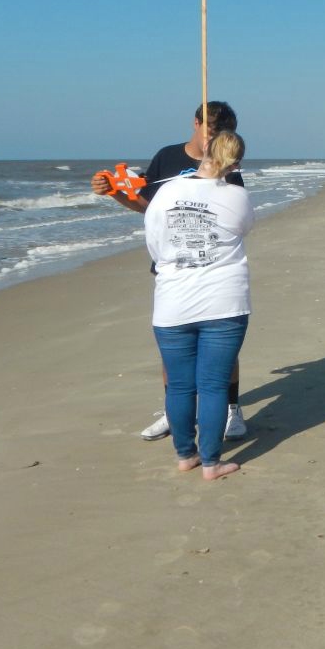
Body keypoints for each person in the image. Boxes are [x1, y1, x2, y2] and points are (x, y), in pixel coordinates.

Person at [90, 101, 248, 442]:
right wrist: (114, 193)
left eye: (221, 133)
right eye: (210, 130)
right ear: (195, 123)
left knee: (223, 350)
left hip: (214, 268)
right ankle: (174, 412)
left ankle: (232, 411)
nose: (214, 138)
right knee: (174, 349)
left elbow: (236, 219)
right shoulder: (167, 157)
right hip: (174, 269)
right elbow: (148, 207)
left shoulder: (229, 168)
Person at [144, 130, 254, 480]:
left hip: (173, 301)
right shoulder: (237, 196)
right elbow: (243, 228)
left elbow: (155, 243)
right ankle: (210, 462)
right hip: (224, 302)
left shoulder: (166, 192)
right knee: (212, 385)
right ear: (235, 163)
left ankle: (185, 454)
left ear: (204, 151)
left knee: (179, 384)